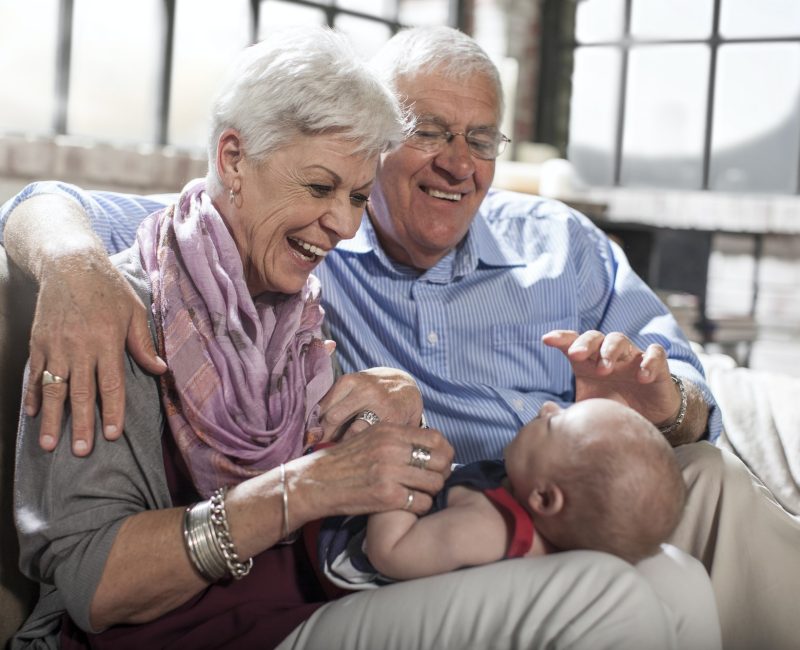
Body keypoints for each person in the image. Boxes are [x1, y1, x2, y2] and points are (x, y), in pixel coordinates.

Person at [1, 26, 741, 649]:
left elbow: (362, 496)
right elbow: (95, 587)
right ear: (233, 160)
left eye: (356, 196)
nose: (347, 226)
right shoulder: (120, 307)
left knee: (676, 575)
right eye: (321, 189)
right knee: (610, 596)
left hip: (326, 590)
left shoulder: (298, 307)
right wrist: (69, 265)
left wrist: (400, 427)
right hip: (218, 626)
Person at [317, 399, 686, 592]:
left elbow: (387, 553)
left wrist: (407, 459)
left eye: (554, 423)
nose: (547, 407)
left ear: (544, 498)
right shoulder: (523, 491)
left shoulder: (487, 528)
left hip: (348, 545)